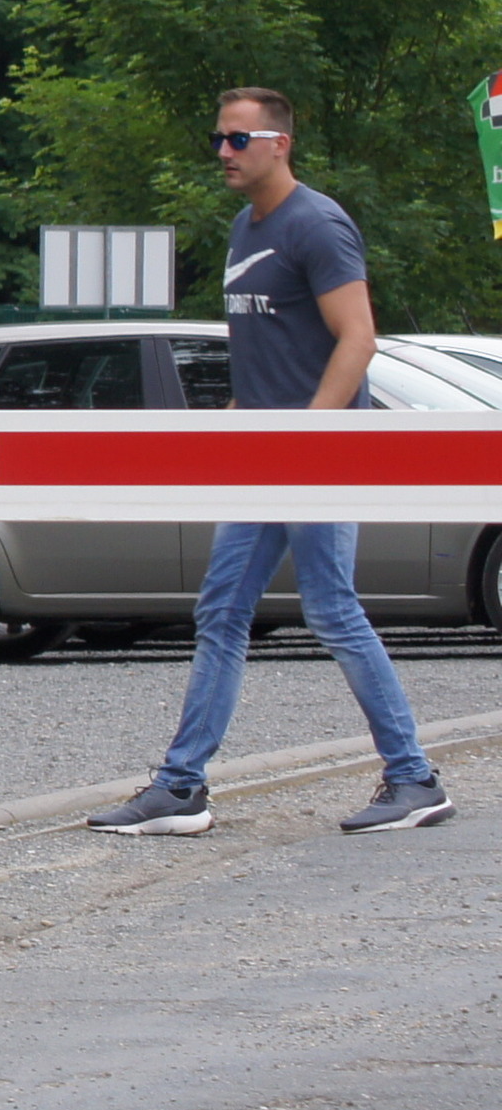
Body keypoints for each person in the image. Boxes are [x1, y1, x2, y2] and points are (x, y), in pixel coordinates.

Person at [88, 89, 451, 837]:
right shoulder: (243, 228)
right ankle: (182, 786)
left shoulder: (316, 224)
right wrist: (228, 430)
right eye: (217, 137)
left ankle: (414, 777)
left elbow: (359, 338)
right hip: (267, 458)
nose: (222, 151)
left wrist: (312, 437)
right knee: (222, 610)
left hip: (314, 455)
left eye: (236, 138)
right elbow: (267, 358)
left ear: (278, 142)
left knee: (330, 609)